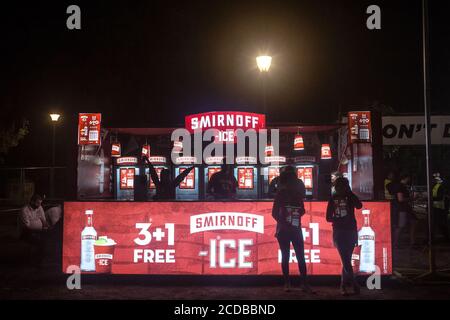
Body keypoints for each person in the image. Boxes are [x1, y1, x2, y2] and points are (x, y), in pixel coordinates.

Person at [272, 165, 312, 293]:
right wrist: (292, 217)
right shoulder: (294, 194)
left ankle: (289, 283)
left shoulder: (282, 194)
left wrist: (285, 219)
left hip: (286, 229)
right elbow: (302, 210)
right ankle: (302, 283)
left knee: (288, 256)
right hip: (293, 228)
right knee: (298, 256)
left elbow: (274, 213)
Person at [326, 177, 362, 295]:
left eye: (343, 186)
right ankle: (354, 284)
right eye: (338, 187)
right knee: (346, 260)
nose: (340, 189)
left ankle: (342, 286)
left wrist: (350, 193)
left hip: (350, 230)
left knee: (346, 260)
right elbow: (328, 218)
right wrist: (338, 218)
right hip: (339, 231)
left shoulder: (350, 197)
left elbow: (359, 205)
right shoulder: (333, 199)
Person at [18, 194, 61, 268]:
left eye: (40, 203)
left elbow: (43, 220)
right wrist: (40, 229)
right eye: (37, 203)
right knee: (40, 241)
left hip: (39, 230)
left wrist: (46, 227)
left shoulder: (39, 207)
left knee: (50, 238)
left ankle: (43, 259)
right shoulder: (24, 210)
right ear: (31, 202)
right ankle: (35, 261)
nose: (39, 205)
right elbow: (27, 226)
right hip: (26, 232)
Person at [393, 174, 417, 248]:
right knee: (401, 226)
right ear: (406, 178)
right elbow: (400, 199)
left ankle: (412, 241)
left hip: (405, 208)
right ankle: (395, 243)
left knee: (413, 222)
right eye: (408, 178)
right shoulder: (400, 186)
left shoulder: (402, 186)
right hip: (402, 208)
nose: (409, 180)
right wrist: (412, 198)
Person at [431, 173, 449, 242]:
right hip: (435, 207)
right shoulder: (435, 185)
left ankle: (446, 238)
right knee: (438, 223)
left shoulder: (441, 186)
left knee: (440, 223)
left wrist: (430, 198)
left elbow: (441, 197)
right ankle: (433, 238)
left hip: (440, 208)